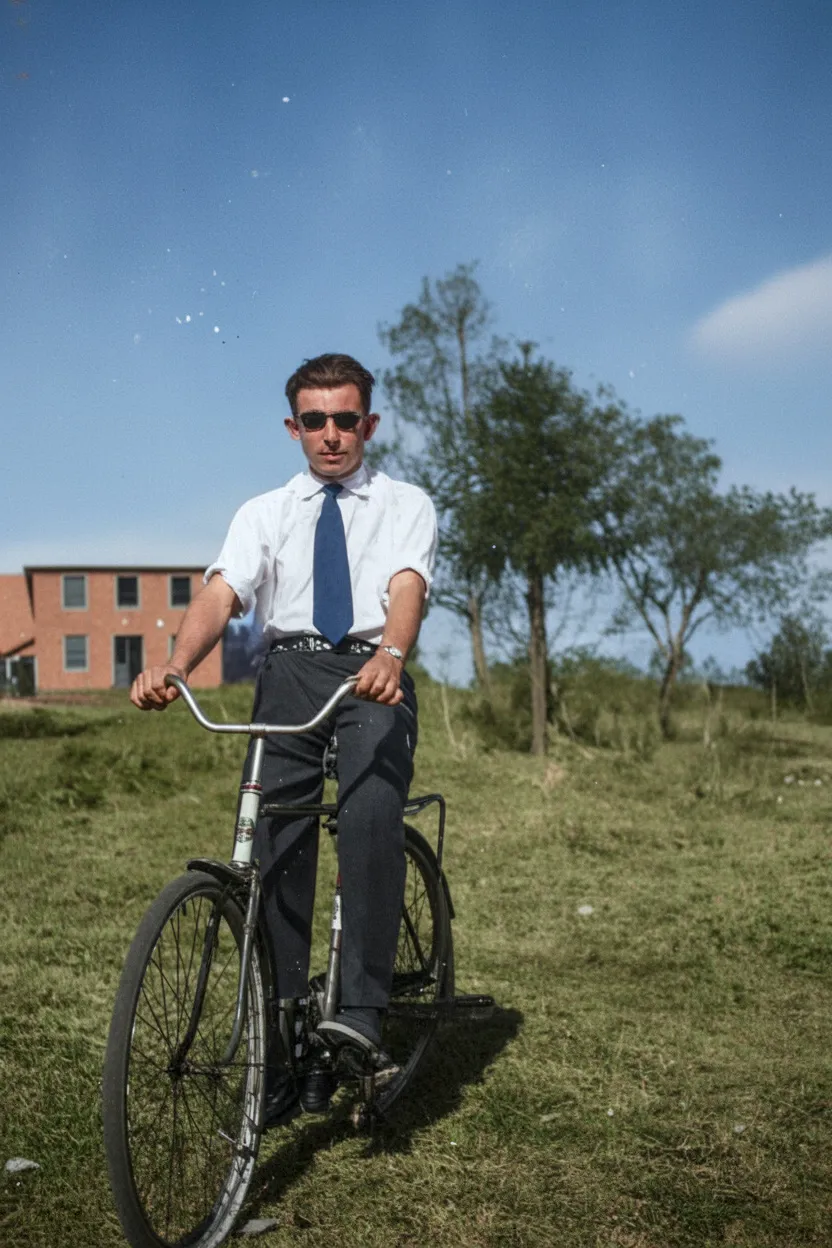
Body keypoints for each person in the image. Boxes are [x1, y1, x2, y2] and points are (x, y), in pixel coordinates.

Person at [130, 352, 436, 1123]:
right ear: (293, 427)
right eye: (314, 420)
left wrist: (391, 655)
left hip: (370, 671)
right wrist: (175, 665)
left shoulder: (405, 503)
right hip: (290, 671)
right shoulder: (264, 512)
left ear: (368, 424)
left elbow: (407, 586)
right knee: (274, 844)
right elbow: (222, 592)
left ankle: (361, 1010)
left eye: (345, 419)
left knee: (369, 811)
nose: (331, 434)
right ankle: (282, 1036)